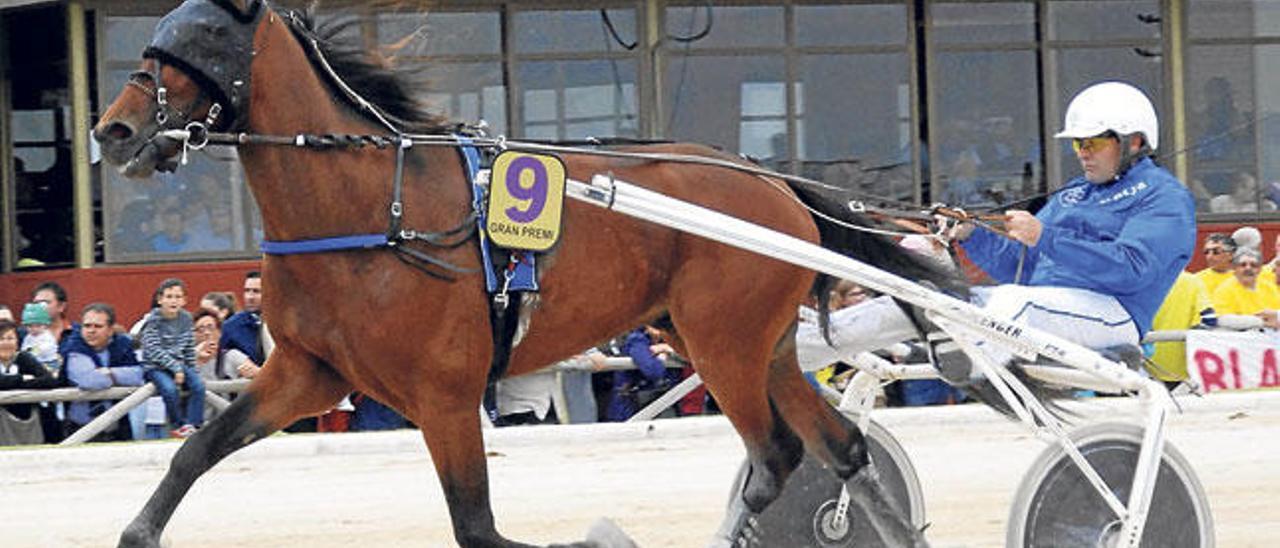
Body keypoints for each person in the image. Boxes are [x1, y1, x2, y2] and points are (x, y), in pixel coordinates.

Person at [60, 303, 147, 440]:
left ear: (110, 330)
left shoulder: (122, 344)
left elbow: (138, 375)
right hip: (78, 430)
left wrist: (109, 372)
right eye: (87, 326)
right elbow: (89, 380)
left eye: (98, 326)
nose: (91, 331)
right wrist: (119, 377)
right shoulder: (73, 346)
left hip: (118, 428)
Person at [139, 278, 205, 438]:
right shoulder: (152, 320)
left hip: (180, 365)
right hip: (155, 366)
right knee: (169, 390)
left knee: (198, 386)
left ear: (184, 300)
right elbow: (153, 349)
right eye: (169, 297)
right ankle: (178, 424)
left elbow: (189, 346)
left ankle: (193, 424)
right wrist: (175, 368)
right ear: (160, 299)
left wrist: (192, 369)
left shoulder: (187, 319)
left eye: (177, 297)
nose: (173, 301)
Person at [1148, 272, 1216, 385]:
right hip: (1183, 365)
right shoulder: (1193, 282)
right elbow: (1209, 318)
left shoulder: (1145, 281)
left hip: (1147, 363)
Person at [0, 320, 59, 445]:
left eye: (10, 338)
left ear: (17, 342)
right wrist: (21, 379)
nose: (5, 343)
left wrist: (10, 384)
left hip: (28, 424)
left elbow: (48, 380)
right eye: (1, 338)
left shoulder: (24, 358)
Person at [604, 325, 680, 422]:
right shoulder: (636, 339)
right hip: (629, 406)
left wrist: (668, 350)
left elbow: (688, 359)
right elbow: (652, 371)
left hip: (659, 404)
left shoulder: (669, 341)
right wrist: (661, 360)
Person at [1210, 248, 1280, 329]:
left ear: (1260, 269)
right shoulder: (1224, 290)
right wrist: (1260, 322)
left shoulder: (1269, 287)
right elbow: (1222, 320)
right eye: (1243, 265)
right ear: (1234, 269)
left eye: (1253, 265)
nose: (1248, 268)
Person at [220, 271, 270, 380]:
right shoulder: (231, 326)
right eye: (247, 291)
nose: (250, 297)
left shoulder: (284, 325)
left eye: (256, 291)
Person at [19, 302, 61, 376]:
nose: (34, 329)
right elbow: (24, 347)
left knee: (49, 372)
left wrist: (33, 351)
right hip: (34, 361)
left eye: (38, 326)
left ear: (45, 325)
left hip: (48, 361)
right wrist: (24, 352)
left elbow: (45, 348)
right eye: (30, 326)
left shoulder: (47, 336)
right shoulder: (28, 337)